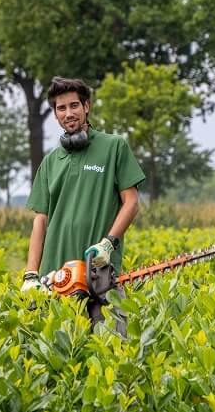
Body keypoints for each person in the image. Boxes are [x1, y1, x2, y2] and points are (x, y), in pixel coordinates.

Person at [22, 77, 145, 333]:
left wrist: (109, 243)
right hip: (56, 277)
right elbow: (40, 220)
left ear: (87, 106)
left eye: (74, 105)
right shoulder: (50, 162)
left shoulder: (113, 148)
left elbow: (131, 203)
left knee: (114, 348)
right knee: (59, 355)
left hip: (100, 273)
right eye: (61, 108)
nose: (69, 113)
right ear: (55, 114)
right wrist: (31, 275)